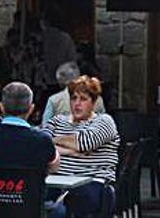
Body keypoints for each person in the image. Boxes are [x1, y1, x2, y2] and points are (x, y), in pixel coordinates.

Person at [0, 83, 63, 216]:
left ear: (1, 107)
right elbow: (54, 166)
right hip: (29, 211)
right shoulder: (41, 140)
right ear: (31, 108)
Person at [43, 76, 119, 217]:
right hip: (56, 181)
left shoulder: (104, 121)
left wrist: (56, 143)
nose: (77, 104)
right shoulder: (57, 121)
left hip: (92, 182)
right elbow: (41, 145)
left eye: (83, 99)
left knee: (67, 206)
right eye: (74, 98)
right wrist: (73, 150)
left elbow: (84, 142)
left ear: (93, 102)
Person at [39, 5, 78, 90]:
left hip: (43, 82)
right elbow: (72, 60)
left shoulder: (40, 38)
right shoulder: (66, 38)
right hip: (61, 82)